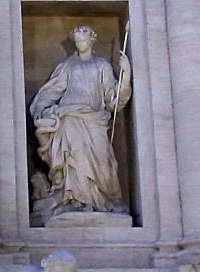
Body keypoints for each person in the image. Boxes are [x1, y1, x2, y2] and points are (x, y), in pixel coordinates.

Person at [28, 25, 132, 221]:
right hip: (70, 119)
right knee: (73, 161)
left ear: (92, 40)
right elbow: (52, 91)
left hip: (94, 121)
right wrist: (41, 110)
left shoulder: (102, 66)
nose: (80, 44)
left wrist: (125, 76)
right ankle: (74, 200)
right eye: (77, 41)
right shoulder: (68, 66)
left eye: (83, 40)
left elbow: (113, 99)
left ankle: (101, 201)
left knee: (102, 162)